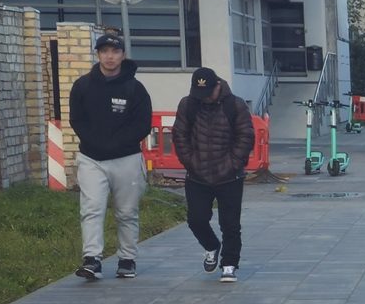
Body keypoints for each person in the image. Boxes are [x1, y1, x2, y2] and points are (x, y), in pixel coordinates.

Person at [68, 32, 154, 282]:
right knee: (92, 208)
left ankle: (127, 259)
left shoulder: (135, 89)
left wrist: (117, 143)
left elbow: (142, 124)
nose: (110, 57)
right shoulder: (82, 86)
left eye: (115, 52)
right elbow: (77, 119)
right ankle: (92, 260)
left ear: (123, 55)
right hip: (91, 159)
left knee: (126, 212)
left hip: (126, 158)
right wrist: (95, 143)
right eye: (104, 51)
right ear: (98, 54)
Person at [171, 67, 254, 282]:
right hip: (197, 175)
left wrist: (233, 164)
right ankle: (211, 246)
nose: (205, 98)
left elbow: (246, 136)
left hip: (230, 175)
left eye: (209, 93)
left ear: (218, 85)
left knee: (230, 224)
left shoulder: (235, 105)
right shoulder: (188, 104)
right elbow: (179, 135)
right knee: (196, 219)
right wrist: (190, 162)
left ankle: (229, 264)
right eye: (201, 94)